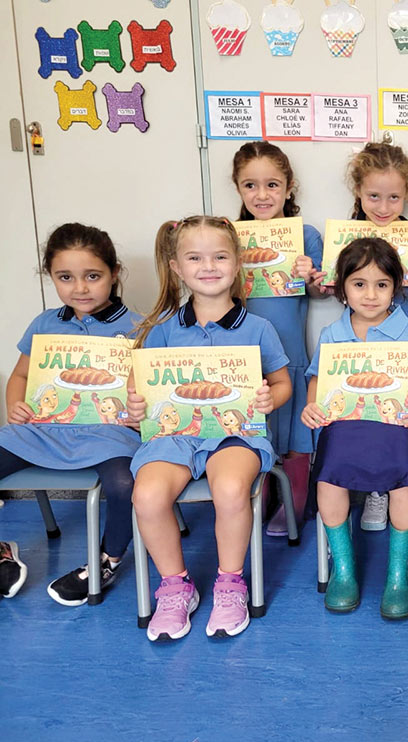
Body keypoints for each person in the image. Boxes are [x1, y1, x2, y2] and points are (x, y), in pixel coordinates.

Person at [127, 216, 291, 641]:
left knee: (232, 489)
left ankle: (230, 583)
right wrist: (135, 406)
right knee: (146, 495)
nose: (209, 266)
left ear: (237, 265)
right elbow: (139, 392)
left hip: (236, 432)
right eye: (195, 257)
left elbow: (282, 383)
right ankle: (175, 586)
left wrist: (271, 399)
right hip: (174, 435)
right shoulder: (161, 332)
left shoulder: (258, 328)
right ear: (177, 267)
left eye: (219, 256)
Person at [0, 223, 142, 605]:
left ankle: (107, 559)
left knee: (125, 485)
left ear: (114, 273)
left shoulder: (140, 327)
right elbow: (22, 375)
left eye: (92, 276)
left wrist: (137, 413)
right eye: (66, 277)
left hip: (110, 434)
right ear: (51, 277)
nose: (80, 288)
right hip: (45, 430)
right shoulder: (45, 324)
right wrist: (16, 405)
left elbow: (149, 395)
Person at [301, 237, 408, 620]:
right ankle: (343, 569)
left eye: (381, 285)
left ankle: (398, 573)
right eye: (359, 284)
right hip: (347, 427)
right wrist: (312, 404)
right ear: (342, 287)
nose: (370, 295)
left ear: (396, 288)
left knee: (405, 471)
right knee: (328, 470)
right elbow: (316, 379)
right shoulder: (333, 334)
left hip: (398, 429)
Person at [304, 141, 408, 531]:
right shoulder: (334, 330)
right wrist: (314, 280)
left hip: (401, 342)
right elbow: (319, 376)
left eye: (393, 196)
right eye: (374, 196)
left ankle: (383, 493)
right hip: (354, 382)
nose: (382, 205)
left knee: (395, 441)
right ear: (359, 195)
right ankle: (362, 508)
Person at [231, 141, 322, 536]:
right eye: (250, 185)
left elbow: (322, 293)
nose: (262, 194)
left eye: (272, 184)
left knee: (297, 435)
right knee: (253, 430)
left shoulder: (306, 235)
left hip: (289, 352)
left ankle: (296, 501)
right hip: (241, 357)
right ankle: (260, 495)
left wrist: (311, 276)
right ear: (238, 189)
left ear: (289, 187)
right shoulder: (228, 236)